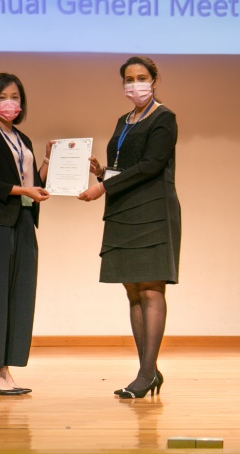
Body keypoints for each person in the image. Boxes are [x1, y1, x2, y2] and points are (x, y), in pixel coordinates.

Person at [78, 56, 181, 399]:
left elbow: (151, 165)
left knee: (151, 289)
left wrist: (103, 187)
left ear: (154, 80)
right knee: (133, 291)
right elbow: (126, 167)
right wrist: (102, 172)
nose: (135, 84)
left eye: (141, 77)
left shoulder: (164, 117)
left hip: (153, 211)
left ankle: (146, 373)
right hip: (124, 210)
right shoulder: (123, 121)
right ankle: (147, 371)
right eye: (129, 78)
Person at [0, 72, 52, 396]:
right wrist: (24, 191)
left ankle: (5, 366)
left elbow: (34, 182)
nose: (10, 102)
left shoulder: (23, 139)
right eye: (3, 97)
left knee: (20, 294)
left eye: (15, 97)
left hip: (24, 221)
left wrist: (48, 160)